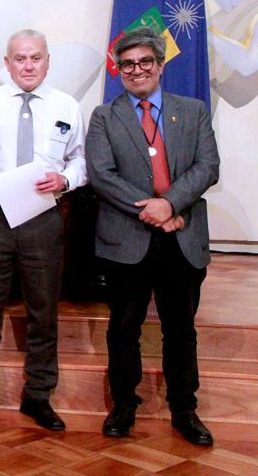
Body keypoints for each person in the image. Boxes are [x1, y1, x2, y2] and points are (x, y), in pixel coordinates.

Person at [87, 28, 220, 446]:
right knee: (123, 327)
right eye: (127, 64)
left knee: (181, 329)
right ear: (119, 71)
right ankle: (124, 405)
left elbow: (207, 166)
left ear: (161, 66)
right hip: (127, 241)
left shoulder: (193, 110)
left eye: (146, 62)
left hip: (182, 239)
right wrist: (154, 209)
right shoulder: (104, 117)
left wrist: (172, 204)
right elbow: (101, 175)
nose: (137, 70)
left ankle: (185, 409)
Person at [0, 29, 87, 430]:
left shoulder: (67, 105)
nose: (27, 66)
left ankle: (38, 396)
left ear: (47, 61)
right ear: (7, 63)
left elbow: (81, 160)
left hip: (44, 217)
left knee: (43, 310)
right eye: (19, 58)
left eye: (35, 58)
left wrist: (65, 179)